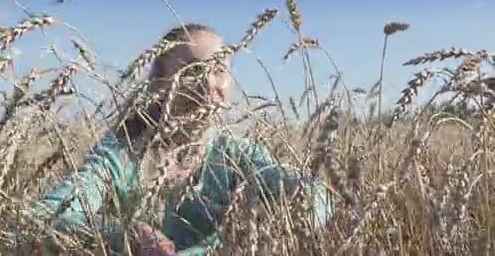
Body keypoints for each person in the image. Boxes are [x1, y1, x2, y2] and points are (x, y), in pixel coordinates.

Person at [28, 24, 337, 255]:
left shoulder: (237, 156)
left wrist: (255, 232)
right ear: (159, 83)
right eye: (190, 71)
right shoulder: (123, 155)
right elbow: (42, 218)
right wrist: (126, 234)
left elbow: (316, 197)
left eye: (218, 70)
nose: (206, 86)